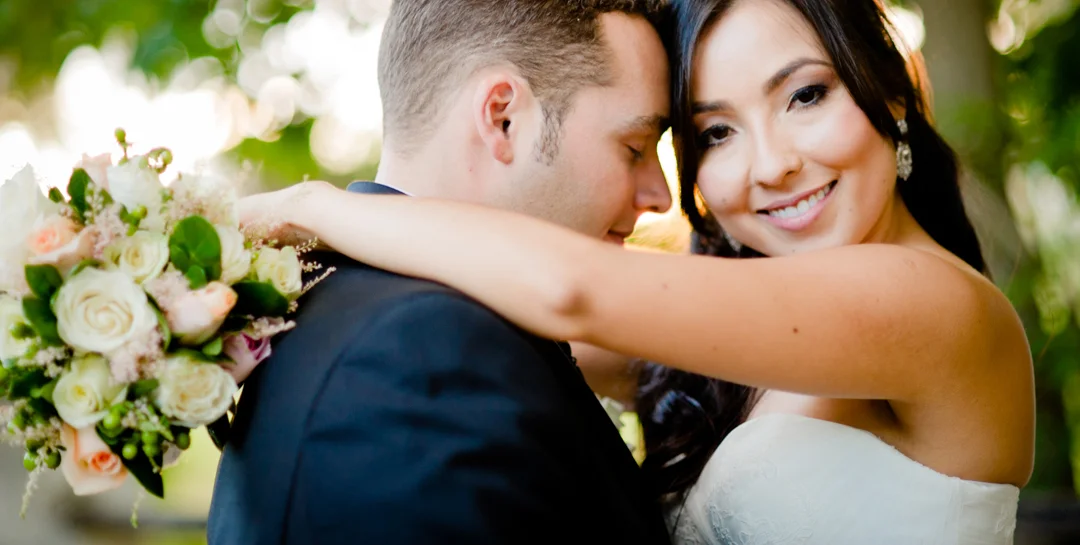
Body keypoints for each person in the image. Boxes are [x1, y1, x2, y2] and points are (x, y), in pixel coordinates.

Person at [240, 0, 1036, 542]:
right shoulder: (727, 342)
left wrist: (318, 207)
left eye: (805, 95)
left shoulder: (932, 302)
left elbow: (570, 291)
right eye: (717, 133)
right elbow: (478, 328)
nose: (772, 165)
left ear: (892, 95)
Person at [207, 1, 675, 544]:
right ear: (503, 117)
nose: (661, 196)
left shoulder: (349, 304)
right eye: (635, 147)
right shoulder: (421, 351)